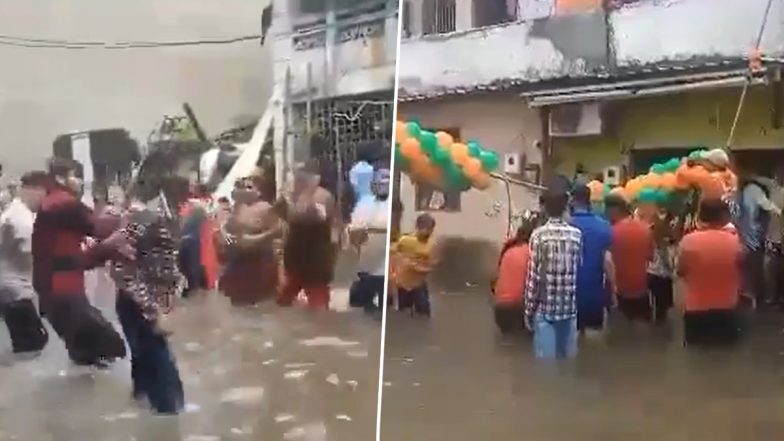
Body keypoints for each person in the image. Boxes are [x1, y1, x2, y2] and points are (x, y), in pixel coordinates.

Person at [32, 158, 131, 366]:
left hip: (50, 285)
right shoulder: (65, 203)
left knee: (78, 343)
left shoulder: (50, 203)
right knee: (100, 339)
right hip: (63, 284)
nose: (78, 181)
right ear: (61, 177)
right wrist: (126, 217)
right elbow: (98, 228)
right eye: (75, 175)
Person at [111, 192, 185, 414]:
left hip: (140, 298)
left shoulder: (142, 219)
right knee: (152, 352)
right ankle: (161, 407)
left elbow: (122, 267)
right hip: (150, 297)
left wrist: (150, 303)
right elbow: (169, 269)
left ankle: (162, 408)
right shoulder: (166, 217)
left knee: (151, 353)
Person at [523, 189, 582, 359]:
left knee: (545, 370)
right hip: (569, 310)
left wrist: (528, 311)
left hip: (545, 311)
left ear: (545, 209)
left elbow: (533, 278)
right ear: (566, 208)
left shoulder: (538, 236)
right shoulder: (577, 235)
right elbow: (576, 270)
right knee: (568, 365)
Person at [678, 198, 743, 347]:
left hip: (696, 309)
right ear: (724, 217)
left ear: (700, 216)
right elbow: (741, 267)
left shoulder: (688, 241)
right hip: (727, 308)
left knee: (695, 358)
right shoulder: (734, 242)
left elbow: (681, 270)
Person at [0, 171, 50, 354]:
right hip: (15, 291)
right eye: (46, 193)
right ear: (34, 190)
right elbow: (32, 252)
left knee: (28, 343)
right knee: (34, 343)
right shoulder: (20, 218)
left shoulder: (16, 212)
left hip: (11, 290)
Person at [278, 161, 337, 310]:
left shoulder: (323, 196)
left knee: (318, 305)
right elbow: (282, 216)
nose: (297, 179)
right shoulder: (290, 196)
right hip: (295, 257)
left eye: (301, 176)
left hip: (316, 260)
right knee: (283, 303)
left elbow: (315, 216)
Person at [216, 175, 282, 306]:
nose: (245, 190)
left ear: (259, 192)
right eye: (244, 187)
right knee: (235, 301)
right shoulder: (239, 207)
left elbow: (278, 232)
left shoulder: (266, 208)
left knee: (259, 302)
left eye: (249, 187)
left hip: (259, 261)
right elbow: (228, 228)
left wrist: (258, 239)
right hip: (238, 260)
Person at [569, 184, 614, 336]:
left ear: (572, 201)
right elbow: (608, 263)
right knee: (594, 348)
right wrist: (613, 293)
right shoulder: (604, 226)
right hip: (594, 297)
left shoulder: (565, 226)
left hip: (567, 299)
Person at [347, 166, 390, 317]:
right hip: (368, 248)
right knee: (367, 283)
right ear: (373, 185)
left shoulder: (394, 204)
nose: (382, 187)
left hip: (386, 248)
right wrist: (356, 245)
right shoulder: (365, 203)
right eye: (379, 184)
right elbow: (355, 227)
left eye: (386, 184)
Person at [736, 166, 780, 308]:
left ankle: (755, 297)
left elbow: (767, 206)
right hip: (750, 236)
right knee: (752, 268)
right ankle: (755, 298)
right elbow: (769, 208)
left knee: (752, 268)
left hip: (749, 236)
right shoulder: (750, 190)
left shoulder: (749, 189)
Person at [606, 194, 654, 326]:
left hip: (620, 290)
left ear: (614, 210)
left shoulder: (610, 232)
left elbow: (607, 263)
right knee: (642, 336)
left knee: (619, 337)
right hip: (641, 288)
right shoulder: (645, 229)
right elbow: (651, 257)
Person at [492, 220, 534, 334]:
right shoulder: (531, 253)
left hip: (499, 311)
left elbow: (494, 282)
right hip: (518, 312)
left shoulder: (507, 251)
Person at [393, 213, 437, 317]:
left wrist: (429, 266)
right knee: (403, 313)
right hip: (404, 281)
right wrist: (406, 262)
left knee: (423, 312)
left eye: (431, 229)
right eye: (427, 229)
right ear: (418, 227)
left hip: (419, 282)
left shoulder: (430, 244)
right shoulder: (406, 240)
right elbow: (394, 254)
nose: (430, 232)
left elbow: (432, 261)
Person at [648, 207, 676, 324]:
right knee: (662, 306)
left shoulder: (650, 231)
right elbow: (668, 260)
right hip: (663, 275)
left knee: (656, 301)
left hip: (651, 272)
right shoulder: (667, 236)